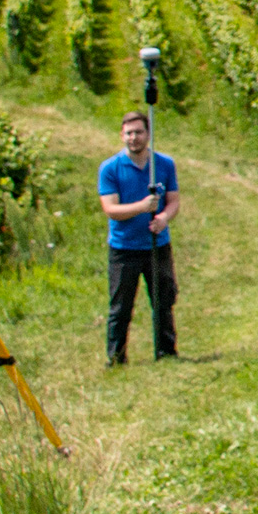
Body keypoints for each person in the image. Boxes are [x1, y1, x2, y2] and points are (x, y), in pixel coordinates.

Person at [98, 110, 181, 364]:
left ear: (148, 134)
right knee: (121, 307)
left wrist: (164, 217)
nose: (134, 138)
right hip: (124, 248)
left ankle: (166, 352)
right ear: (122, 135)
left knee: (163, 301)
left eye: (139, 132)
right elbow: (111, 209)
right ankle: (116, 358)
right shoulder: (110, 168)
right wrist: (142, 207)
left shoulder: (164, 165)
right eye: (129, 133)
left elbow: (173, 201)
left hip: (157, 245)